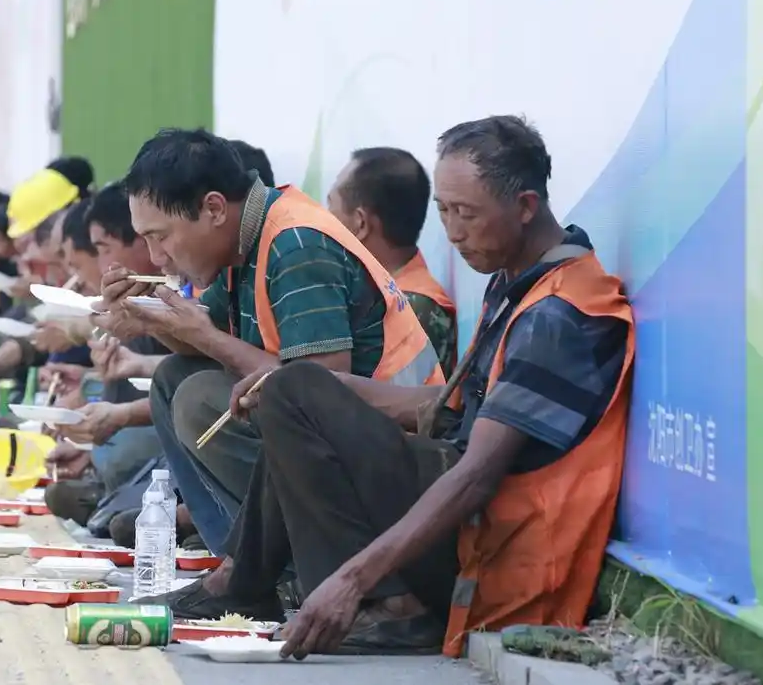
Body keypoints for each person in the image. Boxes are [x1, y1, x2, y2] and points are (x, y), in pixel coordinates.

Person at [146, 115, 634, 659]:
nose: (452, 231)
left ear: (524, 207)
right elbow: (445, 408)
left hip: (491, 543)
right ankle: (242, 580)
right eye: (444, 212)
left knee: (294, 390)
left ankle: (392, 606)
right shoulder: (522, 280)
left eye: (466, 214)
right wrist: (304, 385)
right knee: (293, 386)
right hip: (461, 496)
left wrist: (353, 579)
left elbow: (475, 477)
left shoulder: (557, 313)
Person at [93, 128, 442, 557]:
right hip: (347, 443)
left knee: (199, 397)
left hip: (394, 456)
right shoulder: (241, 242)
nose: (156, 257)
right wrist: (148, 319)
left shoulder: (296, 244)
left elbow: (322, 390)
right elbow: (201, 341)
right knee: (172, 379)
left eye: (160, 236)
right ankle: (238, 554)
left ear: (214, 208)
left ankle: (292, 561)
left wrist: (199, 333)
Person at [43, 183, 171, 524]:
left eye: (103, 249)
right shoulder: (147, 294)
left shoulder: (184, 287)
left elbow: (211, 375)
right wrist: (89, 383)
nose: (102, 268)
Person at [327, 147, 457, 377]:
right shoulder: (380, 294)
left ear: (360, 223)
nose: (323, 221)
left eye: (330, 207)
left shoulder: (413, 307)